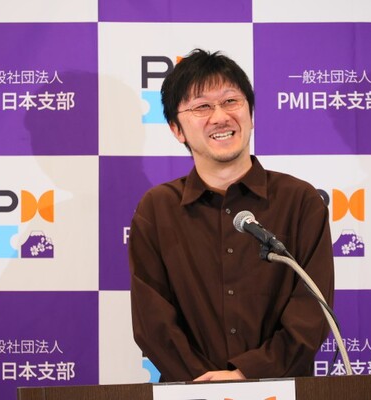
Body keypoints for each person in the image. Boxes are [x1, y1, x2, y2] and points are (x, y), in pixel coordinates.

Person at [128, 49, 334, 383]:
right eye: (202, 107)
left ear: (250, 113)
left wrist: (247, 374)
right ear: (177, 129)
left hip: (281, 389)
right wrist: (205, 383)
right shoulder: (157, 209)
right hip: (190, 392)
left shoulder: (300, 201)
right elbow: (152, 322)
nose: (220, 117)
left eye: (230, 101)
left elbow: (311, 315)